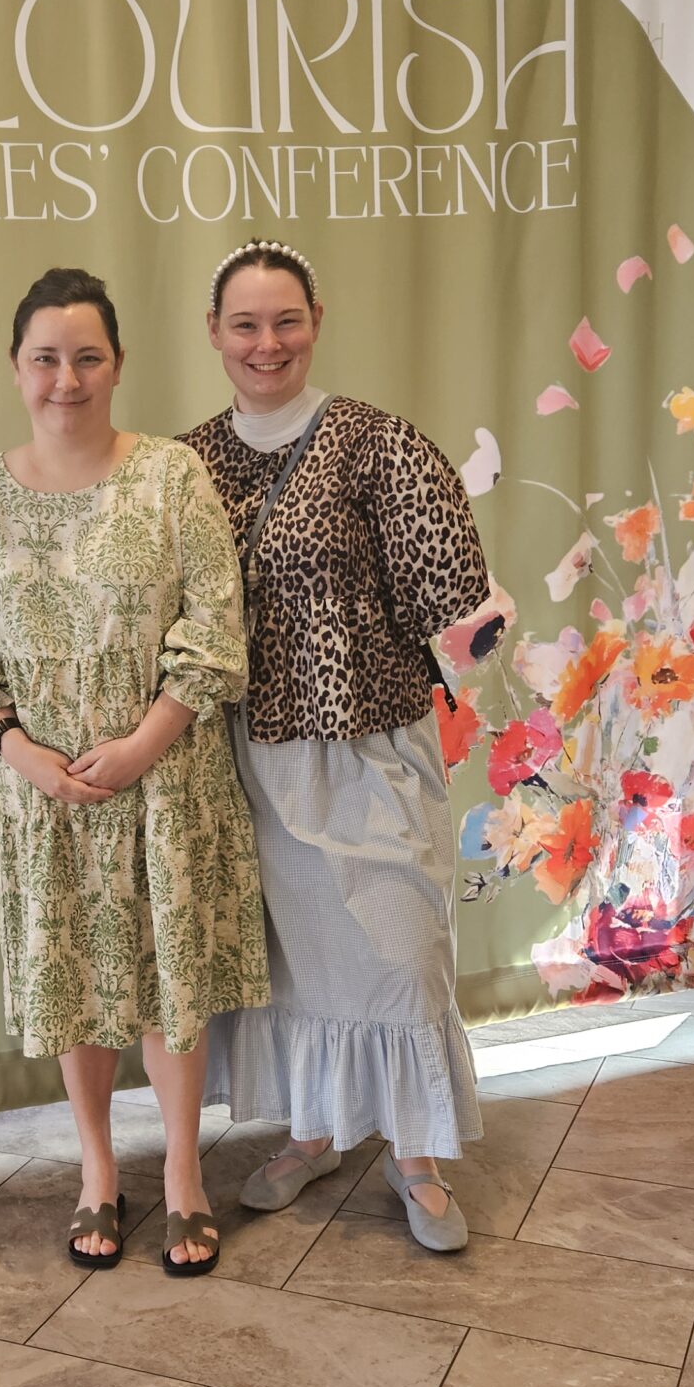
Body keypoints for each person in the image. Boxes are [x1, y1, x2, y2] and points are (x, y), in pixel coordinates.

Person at [0, 266, 269, 1275]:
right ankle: (95, 1168)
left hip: (166, 785)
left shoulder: (171, 477)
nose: (66, 379)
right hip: (49, 800)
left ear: (117, 364)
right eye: (46, 358)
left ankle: (183, 1174)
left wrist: (142, 744)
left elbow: (216, 624)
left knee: (170, 986)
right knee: (77, 982)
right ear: (16, 367)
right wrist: (25, 755)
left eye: (87, 357)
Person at [182, 239, 491, 1251]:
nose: (266, 343)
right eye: (245, 324)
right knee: (292, 964)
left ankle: (416, 1154)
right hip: (250, 757)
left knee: (403, 950)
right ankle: (312, 1129)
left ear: (316, 321)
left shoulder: (379, 445)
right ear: (214, 332)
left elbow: (457, 597)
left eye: (286, 321)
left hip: (368, 748)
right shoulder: (183, 466)